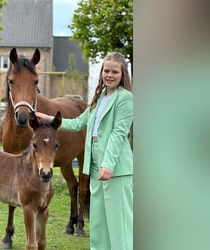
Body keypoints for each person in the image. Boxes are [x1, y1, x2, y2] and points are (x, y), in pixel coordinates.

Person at [36, 52, 133, 250]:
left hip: (115, 169)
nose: (109, 75)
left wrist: (108, 163)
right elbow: (77, 123)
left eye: (115, 71)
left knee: (118, 225)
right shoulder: (98, 100)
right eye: (106, 70)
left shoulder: (126, 99)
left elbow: (118, 133)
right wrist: (47, 118)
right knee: (98, 225)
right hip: (95, 167)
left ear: (123, 74)